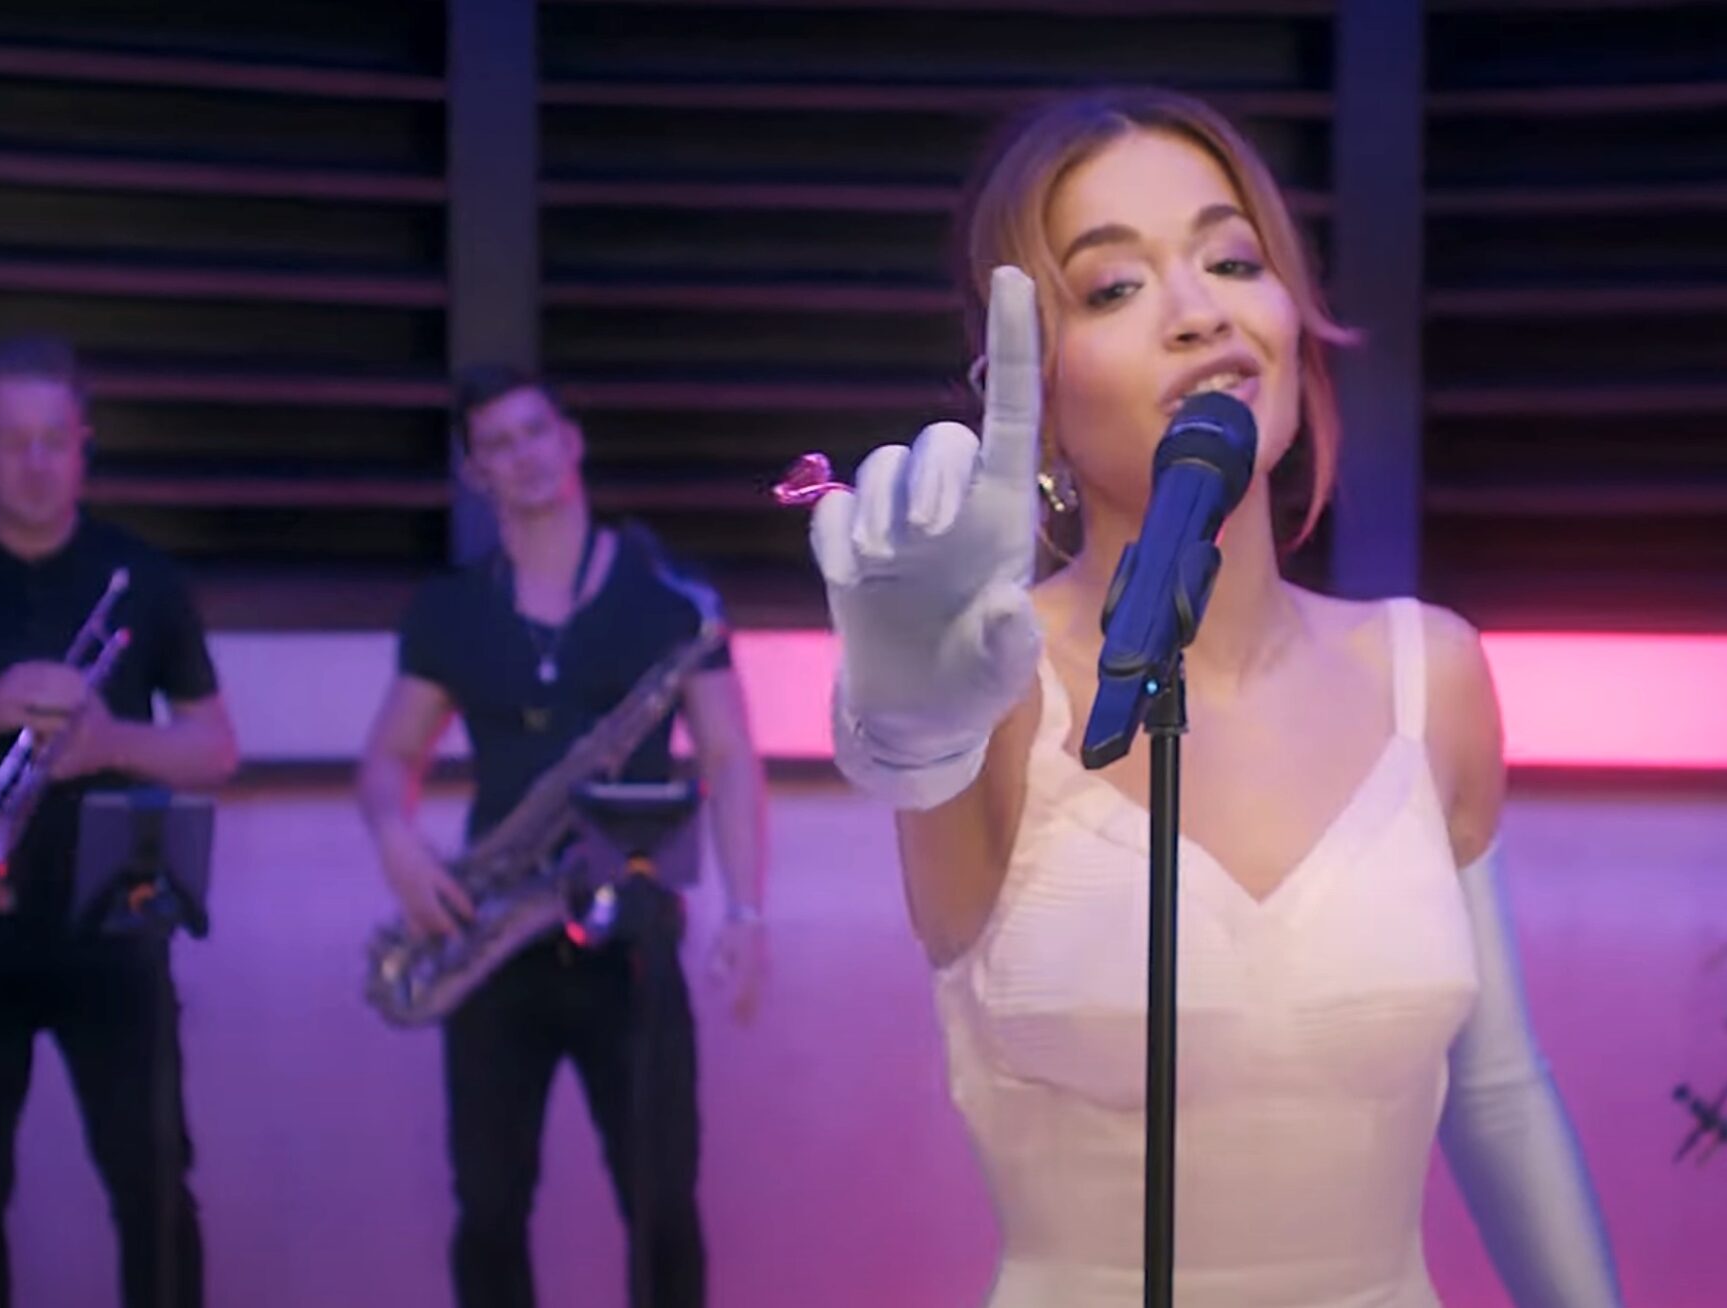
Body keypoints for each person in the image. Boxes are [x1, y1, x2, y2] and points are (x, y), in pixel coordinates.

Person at [800, 89, 1625, 1306]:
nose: (1200, 314)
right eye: (1114, 287)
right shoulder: (989, 676)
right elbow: (905, 751)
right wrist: (902, 715)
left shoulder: (1429, 673)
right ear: (1028, 387)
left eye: (1233, 261)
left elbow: (1496, 1090)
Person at [355, 365, 768, 1308]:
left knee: (662, 1210)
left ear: (571, 440)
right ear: (475, 473)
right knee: (488, 1211)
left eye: (535, 431)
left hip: (634, 940)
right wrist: (396, 839)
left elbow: (730, 757)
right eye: (497, 445)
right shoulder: (452, 608)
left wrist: (747, 912)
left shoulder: (672, 600)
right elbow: (389, 757)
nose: (523, 456)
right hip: (493, 942)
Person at [0, 334, 239, 1308]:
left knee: (155, 1186)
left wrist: (113, 743)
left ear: (84, 446)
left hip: (120, 917)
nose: (36, 463)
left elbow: (214, 750)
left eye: (55, 440)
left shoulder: (144, 577)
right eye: (12, 442)